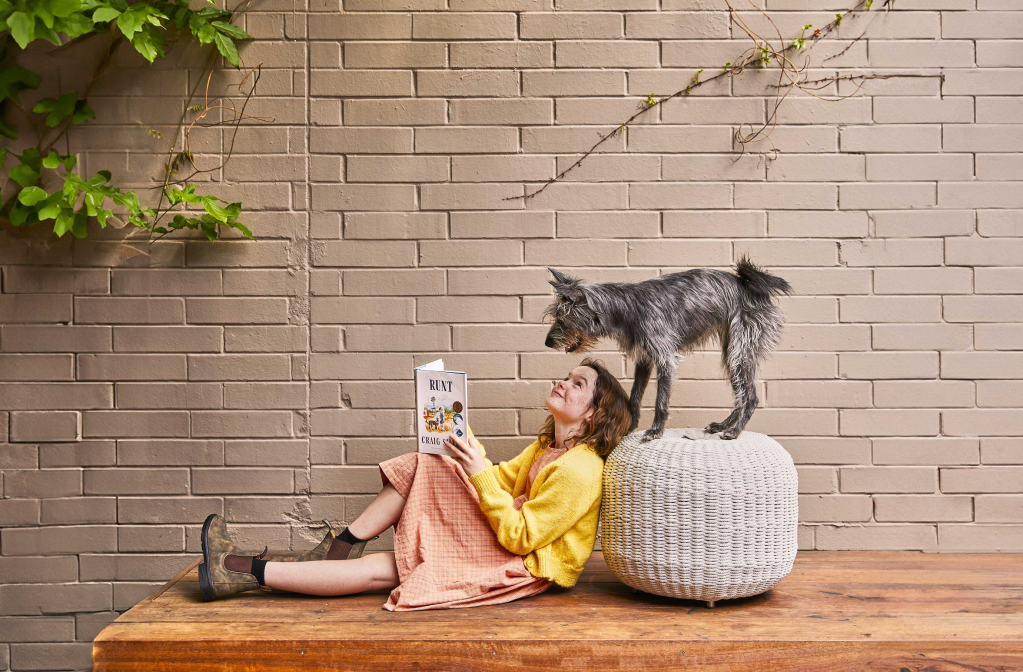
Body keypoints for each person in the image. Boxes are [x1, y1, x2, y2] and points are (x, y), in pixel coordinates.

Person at [198, 357, 632, 610]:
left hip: (523, 565)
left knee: (395, 569)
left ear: (594, 414)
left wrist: (475, 465)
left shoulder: (580, 469)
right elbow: (496, 478)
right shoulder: (547, 446)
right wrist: (459, 435)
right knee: (430, 461)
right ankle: (246, 569)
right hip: (503, 537)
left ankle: (258, 567)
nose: (563, 382)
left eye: (577, 384)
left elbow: (522, 538)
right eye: (567, 375)